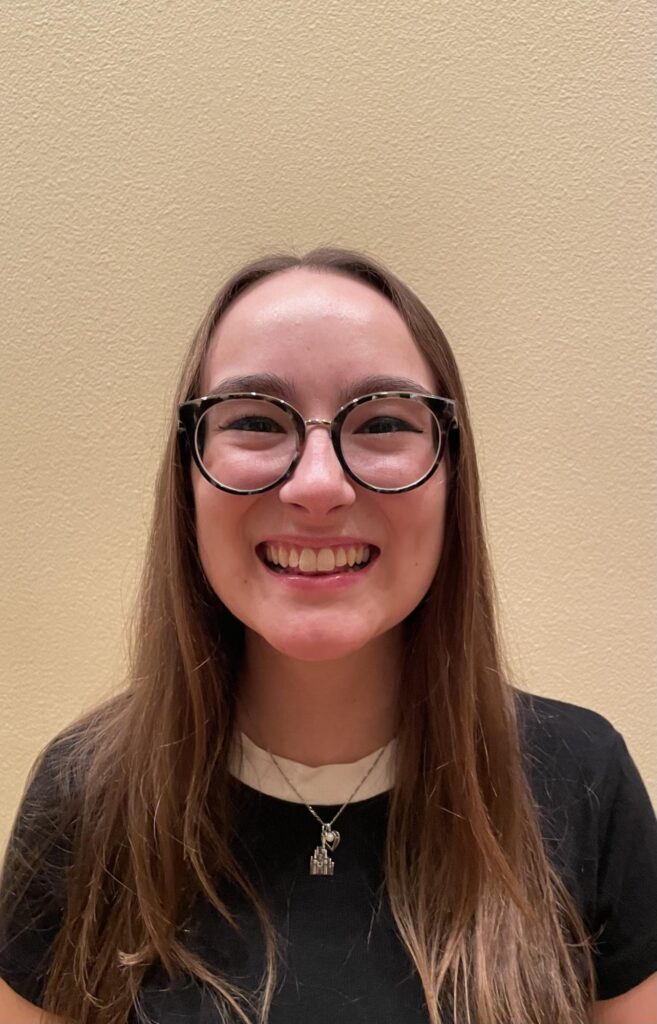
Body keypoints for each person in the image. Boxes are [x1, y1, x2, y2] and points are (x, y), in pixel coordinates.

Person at [1, 248, 656, 1024]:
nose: (317, 484)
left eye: (382, 422)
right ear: (188, 476)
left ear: (453, 476)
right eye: (254, 421)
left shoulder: (583, 780)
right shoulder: (85, 794)